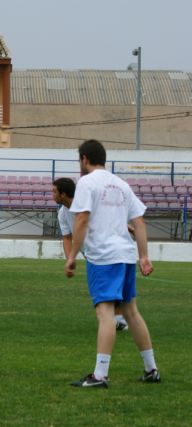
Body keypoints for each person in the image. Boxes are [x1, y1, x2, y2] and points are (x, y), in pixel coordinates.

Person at [65, 139, 160, 388]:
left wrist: (72, 255)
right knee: (131, 312)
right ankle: (151, 369)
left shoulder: (86, 183)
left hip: (104, 257)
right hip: (126, 255)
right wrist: (144, 255)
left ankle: (99, 375)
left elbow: (82, 219)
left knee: (104, 313)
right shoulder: (121, 184)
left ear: (84, 159)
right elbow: (139, 222)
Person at [52, 177, 128, 331]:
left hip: (106, 250)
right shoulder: (62, 213)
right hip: (90, 254)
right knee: (103, 287)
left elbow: (107, 217)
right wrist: (70, 259)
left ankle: (118, 320)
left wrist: (126, 226)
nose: (52, 194)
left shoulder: (86, 205)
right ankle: (118, 319)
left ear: (63, 194)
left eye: (54, 191)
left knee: (104, 288)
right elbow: (67, 238)